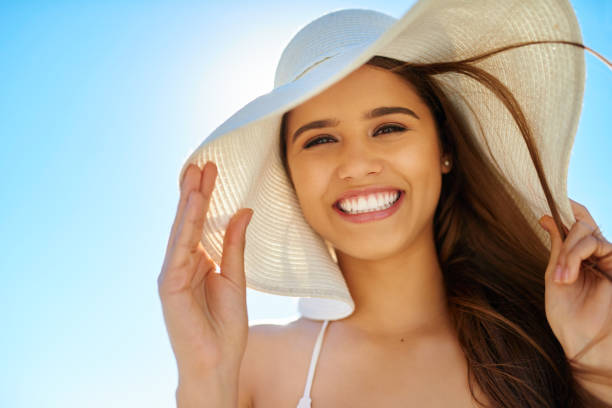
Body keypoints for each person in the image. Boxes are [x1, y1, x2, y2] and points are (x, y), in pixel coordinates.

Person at [157, 1, 612, 407]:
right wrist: (205, 378)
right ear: (291, 180)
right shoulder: (251, 367)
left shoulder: (548, 344)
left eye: (389, 128)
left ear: (444, 149)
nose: (355, 165)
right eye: (320, 139)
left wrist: (601, 358)